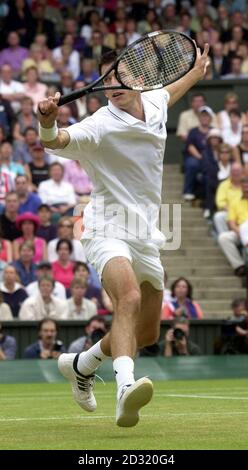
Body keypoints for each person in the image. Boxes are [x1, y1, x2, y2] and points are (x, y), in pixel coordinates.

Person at [37, 44, 209, 427]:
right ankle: (124, 389)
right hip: (104, 226)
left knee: (144, 332)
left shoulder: (156, 102)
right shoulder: (99, 124)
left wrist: (196, 72)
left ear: (138, 78)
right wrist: (46, 122)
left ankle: (82, 365)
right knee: (127, 297)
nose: (111, 84)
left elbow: (173, 90)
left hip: (146, 232)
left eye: (118, 76)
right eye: (106, 78)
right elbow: (54, 141)